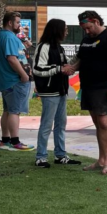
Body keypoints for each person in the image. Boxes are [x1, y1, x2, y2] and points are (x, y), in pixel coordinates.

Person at [63, 11, 107, 175]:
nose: (87, 32)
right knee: (98, 123)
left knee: (105, 123)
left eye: (88, 27)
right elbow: (82, 60)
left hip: (106, 86)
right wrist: (72, 68)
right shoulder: (86, 40)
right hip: (89, 86)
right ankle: (101, 160)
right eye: (84, 29)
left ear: (96, 21)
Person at [32, 19, 81, 168]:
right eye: (65, 29)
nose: (66, 32)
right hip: (49, 92)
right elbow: (37, 69)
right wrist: (59, 69)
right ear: (57, 30)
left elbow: (64, 67)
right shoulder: (44, 47)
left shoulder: (59, 47)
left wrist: (69, 68)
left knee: (61, 124)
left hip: (61, 90)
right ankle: (41, 157)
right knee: (47, 124)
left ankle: (60, 155)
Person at [0, 11, 34, 151]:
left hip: (6, 80)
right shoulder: (9, 37)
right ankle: (15, 141)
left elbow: (18, 53)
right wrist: (23, 75)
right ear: (10, 23)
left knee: (7, 110)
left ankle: (5, 140)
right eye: (17, 22)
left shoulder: (3, 36)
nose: (19, 25)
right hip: (14, 80)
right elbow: (12, 58)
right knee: (14, 111)